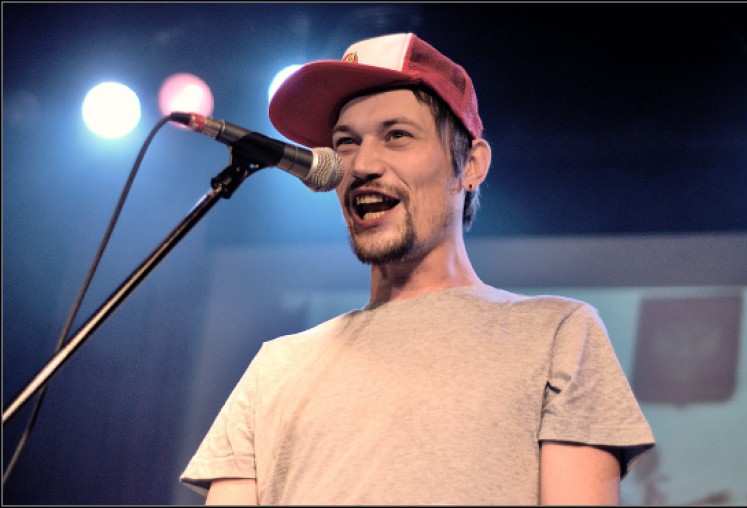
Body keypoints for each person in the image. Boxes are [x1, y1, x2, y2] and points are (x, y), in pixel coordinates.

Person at [179, 32, 655, 505]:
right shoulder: (277, 368)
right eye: (346, 143)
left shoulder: (558, 335)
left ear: (471, 165)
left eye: (397, 135)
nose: (361, 165)